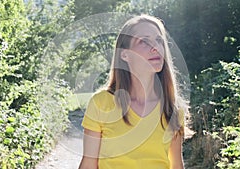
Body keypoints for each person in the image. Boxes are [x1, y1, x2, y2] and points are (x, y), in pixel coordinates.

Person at [78, 14, 188, 169]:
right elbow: (89, 164)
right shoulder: (101, 103)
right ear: (124, 55)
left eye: (159, 40)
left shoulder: (173, 108)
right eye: (144, 41)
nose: (155, 47)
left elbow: (176, 165)